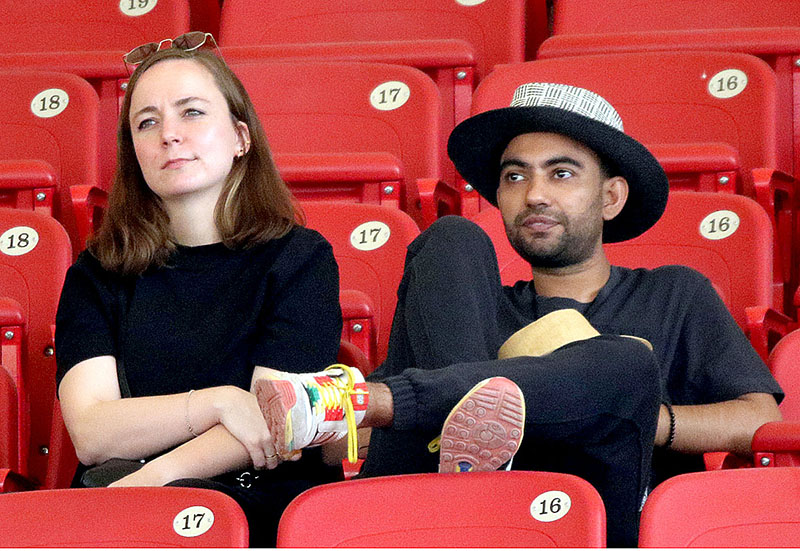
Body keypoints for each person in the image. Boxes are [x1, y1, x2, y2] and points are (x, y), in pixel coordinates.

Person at [254, 83, 783, 547]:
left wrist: (641, 417)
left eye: (561, 174)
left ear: (611, 197)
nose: (534, 194)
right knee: (451, 237)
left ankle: (395, 404)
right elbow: (342, 451)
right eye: (514, 176)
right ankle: (447, 422)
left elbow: (760, 418)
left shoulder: (673, 293)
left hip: (584, 521)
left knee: (625, 362)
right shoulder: (469, 301)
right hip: (443, 515)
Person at [54, 37, 344, 546]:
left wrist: (149, 482)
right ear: (134, 155)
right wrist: (217, 402)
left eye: (191, 113)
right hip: (121, 495)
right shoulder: (98, 271)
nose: (169, 135)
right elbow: (92, 433)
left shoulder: (300, 258)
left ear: (240, 137)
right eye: (147, 122)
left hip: (251, 497)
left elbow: (271, 421)